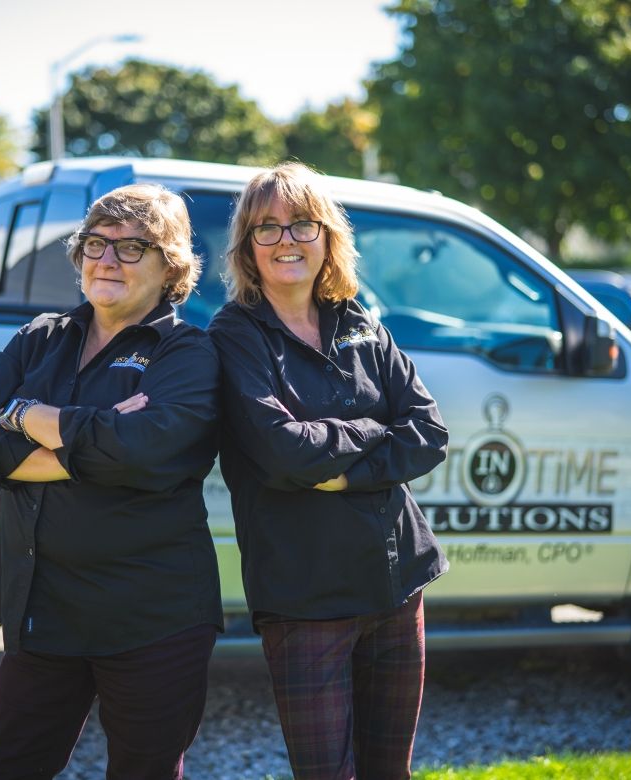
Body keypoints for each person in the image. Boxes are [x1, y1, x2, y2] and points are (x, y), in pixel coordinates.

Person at [0, 183, 223, 780]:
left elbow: (145, 452)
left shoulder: (189, 353)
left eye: (132, 248)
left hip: (153, 618)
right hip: (42, 608)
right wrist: (91, 436)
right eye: (96, 243)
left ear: (170, 264)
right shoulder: (39, 338)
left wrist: (26, 416)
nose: (107, 259)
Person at [207, 162, 449, 780]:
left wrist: (342, 472)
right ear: (247, 246)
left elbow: (428, 434)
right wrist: (374, 431)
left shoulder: (361, 320)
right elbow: (286, 452)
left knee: (388, 771)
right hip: (305, 595)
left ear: (328, 237)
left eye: (302, 224)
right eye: (268, 228)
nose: (287, 239)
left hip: (397, 580)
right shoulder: (234, 336)